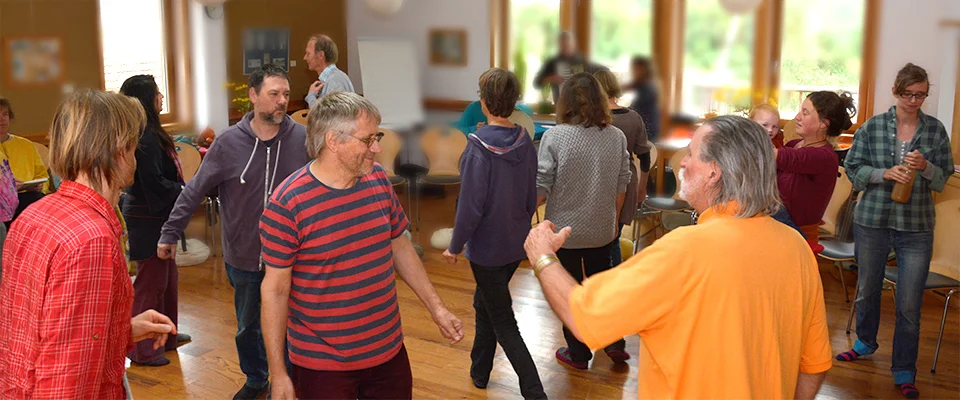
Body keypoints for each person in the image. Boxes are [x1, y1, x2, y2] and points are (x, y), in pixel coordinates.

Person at [526, 115, 832, 398]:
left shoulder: (683, 250)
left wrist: (542, 256)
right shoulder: (796, 246)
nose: (683, 163)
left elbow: (583, 317)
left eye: (691, 153)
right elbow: (813, 364)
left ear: (714, 171)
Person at [260, 91, 464, 400]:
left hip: (387, 351)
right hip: (322, 364)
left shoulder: (378, 181)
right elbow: (274, 291)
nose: (378, 148)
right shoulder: (288, 203)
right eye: (368, 140)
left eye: (377, 137)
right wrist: (278, 373)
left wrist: (437, 308)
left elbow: (400, 246)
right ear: (333, 141)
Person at [0, 90, 177, 399]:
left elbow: (46, 332)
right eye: (135, 147)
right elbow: (66, 378)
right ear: (120, 150)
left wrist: (122, 330)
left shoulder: (34, 215)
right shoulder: (91, 239)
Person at [157, 64, 311, 400]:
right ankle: (257, 379)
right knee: (248, 328)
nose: (282, 101)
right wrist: (170, 232)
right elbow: (194, 190)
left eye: (286, 94)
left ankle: (287, 382)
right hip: (244, 256)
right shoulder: (227, 143)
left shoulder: (303, 139)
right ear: (254, 96)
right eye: (274, 94)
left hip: (294, 258)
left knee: (292, 327)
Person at [837, 63, 955, 399]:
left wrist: (926, 166)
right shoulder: (872, 127)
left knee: (908, 304)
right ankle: (864, 343)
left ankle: (904, 369)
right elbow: (852, 167)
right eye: (909, 94)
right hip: (871, 221)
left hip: (916, 228)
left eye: (921, 95)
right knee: (867, 290)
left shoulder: (934, 130)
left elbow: (943, 176)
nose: (914, 101)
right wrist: (883, 174)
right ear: (896, 91)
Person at [440, 68, 546, 399]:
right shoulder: (525, 140)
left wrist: (454, 245)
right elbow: (532, 195)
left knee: (503, 320)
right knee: (484, 301)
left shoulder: (477, 148)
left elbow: (470, 206)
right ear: (514, 103)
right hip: (515, 244)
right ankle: (479, 371)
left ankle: (534, 391)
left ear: (483, 102)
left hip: (486, 250)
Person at [536, 72, 631, 369]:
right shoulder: (616, 137)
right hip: (601, 229)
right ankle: (614, 342)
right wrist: (613, 222)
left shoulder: (555, 136)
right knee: (601, 287)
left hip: (563, 232)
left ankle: (578, 353)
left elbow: (542, 187)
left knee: (571, 293)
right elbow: (621, 185)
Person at [119, 75, 191, 366]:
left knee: (168, 280)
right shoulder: (144, 137)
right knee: (151, 284)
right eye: (157, 93)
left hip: (161, 216)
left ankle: (168, 335)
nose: (161, 97)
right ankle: (142, 348)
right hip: (147, 219)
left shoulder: (152, 132)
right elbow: (153, 182)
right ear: (146, 99)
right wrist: (184, 191)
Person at [775, 91, 855, 250]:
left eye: (805, 113)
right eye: (799, 111)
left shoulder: (823, 156)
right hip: (777, 230)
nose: (797, 117)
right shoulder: (794, 145)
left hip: (798, 238)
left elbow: (783, 157)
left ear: (823, 123)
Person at [595, 69, 650, 275]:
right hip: (627, 184)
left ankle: (605, 281)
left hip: (599, 182)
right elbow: (644, 156)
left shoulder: (591, 119)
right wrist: (643, 188)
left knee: (601, 239)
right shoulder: (634, 118)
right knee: (614, 236)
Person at [0, 97, 49, 224]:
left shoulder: (26, 145)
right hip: (2, 203)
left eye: (5, 114)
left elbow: (42, 175)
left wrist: (39, 186)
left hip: (27, 196)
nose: (2, 119)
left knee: (39, 199)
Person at [533, 32, 607, 104]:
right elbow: (536, 83)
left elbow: (605, 70)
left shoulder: (583, 61)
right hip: (561, 105)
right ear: (559, 45)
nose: (565, 48)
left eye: (568, 45)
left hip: (583, 105)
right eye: (563, 46)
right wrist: (550, 78)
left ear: (573, 45)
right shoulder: (552, 63)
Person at [303, 34, 354, 108]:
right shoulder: (332, 79)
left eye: (308, 54)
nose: (304, 58)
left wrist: (311, 97)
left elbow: (326, 117)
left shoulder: (335, 81)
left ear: (321, 55)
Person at [624, 56, 661, 142]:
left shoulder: (647, 87)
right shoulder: (643, 84)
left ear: (643, 70)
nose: (633, 72)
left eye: (636, 69)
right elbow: (628, 86)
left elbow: (634, 109)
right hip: (647, 128)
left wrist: (618, 110)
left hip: (647, 130)